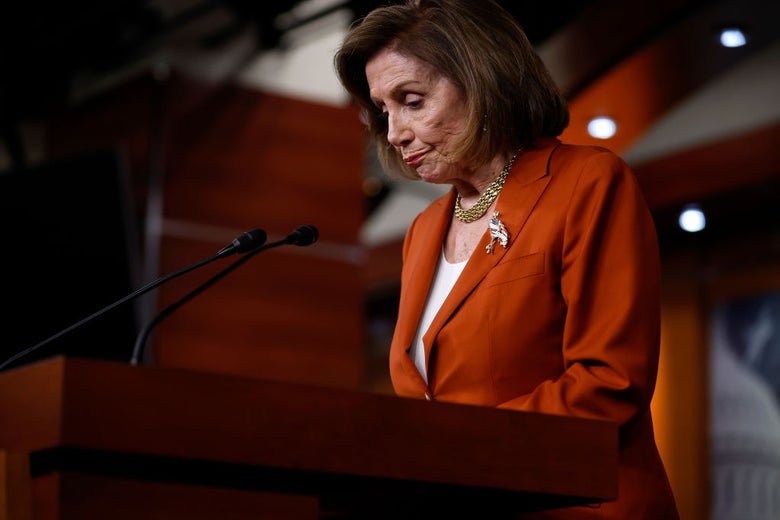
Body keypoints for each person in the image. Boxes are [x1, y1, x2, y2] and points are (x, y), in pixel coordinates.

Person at [335, 0, 679, 518]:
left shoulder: (586, 182)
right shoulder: (423, 232)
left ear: (481, 81)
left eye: (411, 100)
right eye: (384, 111)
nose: (394, 132)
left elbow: (609, 381)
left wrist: (454, 450)